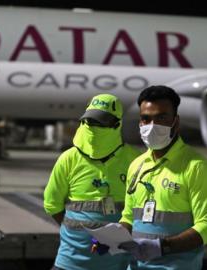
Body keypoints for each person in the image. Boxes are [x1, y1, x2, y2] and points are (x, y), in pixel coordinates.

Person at [118, 85, 207, 270]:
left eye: (161, 118)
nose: (152, 126)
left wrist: (163, 247)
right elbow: (128, 217)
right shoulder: (136, 165)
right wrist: (113, 237)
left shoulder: (196, 167)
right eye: (146, 119)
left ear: (176, 121)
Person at [44, 94, 141, 270]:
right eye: (90, 121)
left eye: (101, 123)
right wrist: (74, 235)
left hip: (115, 264)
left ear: (117, 124)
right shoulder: (69, 159)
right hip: (69, 263)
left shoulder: (134, 161)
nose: (93, 127)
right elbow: (52, 204)